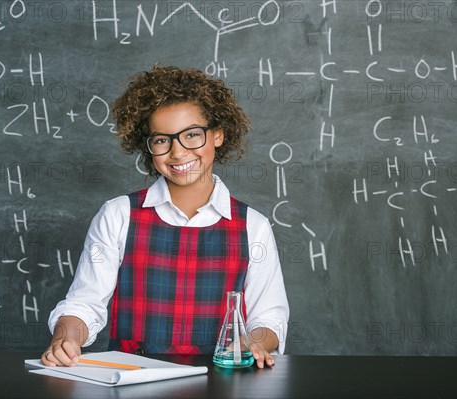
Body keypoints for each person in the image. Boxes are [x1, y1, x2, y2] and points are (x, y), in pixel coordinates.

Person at [41, 65, 289, 369]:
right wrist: (65, 338)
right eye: (162, 140)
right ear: (148, 147)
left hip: (223, 379)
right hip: (133, 380)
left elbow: (269, 316)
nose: (178, 152)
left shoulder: (254, 226)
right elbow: (85, 303)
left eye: (192, 135)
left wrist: (254, 342)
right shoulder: (118, 215)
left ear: (219, 135)